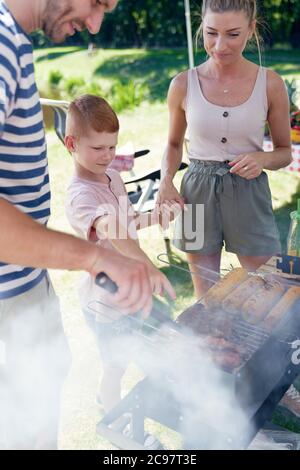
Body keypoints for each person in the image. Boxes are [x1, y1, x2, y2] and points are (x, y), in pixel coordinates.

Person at [0, 0, 153, 450]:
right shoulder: (3, 43)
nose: (95, 23)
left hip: (23, 280)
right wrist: (96, 256)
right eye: (97, 2)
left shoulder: (15, 42)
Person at [156, 0, 300, 427]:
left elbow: (284, 152)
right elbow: (172, 145)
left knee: (269, 290)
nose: (220, 45)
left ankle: (280, 382)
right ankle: (215, 382)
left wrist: (261, 158)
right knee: (208, 294)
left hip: (248, 188)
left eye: (233, 34)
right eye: (212, 33)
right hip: (196, 186)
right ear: (201, 27)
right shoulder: (182, 83)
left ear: (252, 29)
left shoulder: (270, 84)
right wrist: (165, 183)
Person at [65, 94, 178, 446]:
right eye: (98, 148)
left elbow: (125, 224)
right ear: (71, 144)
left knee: (154, 345)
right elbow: (111, 231)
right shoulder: (80, 196)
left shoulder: (112, 177)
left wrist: (154, 217)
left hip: (133, 294)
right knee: (115, 366)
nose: (108, 156)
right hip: (105, 302)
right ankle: (117, 424)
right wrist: (147, 264)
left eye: (112, 147)